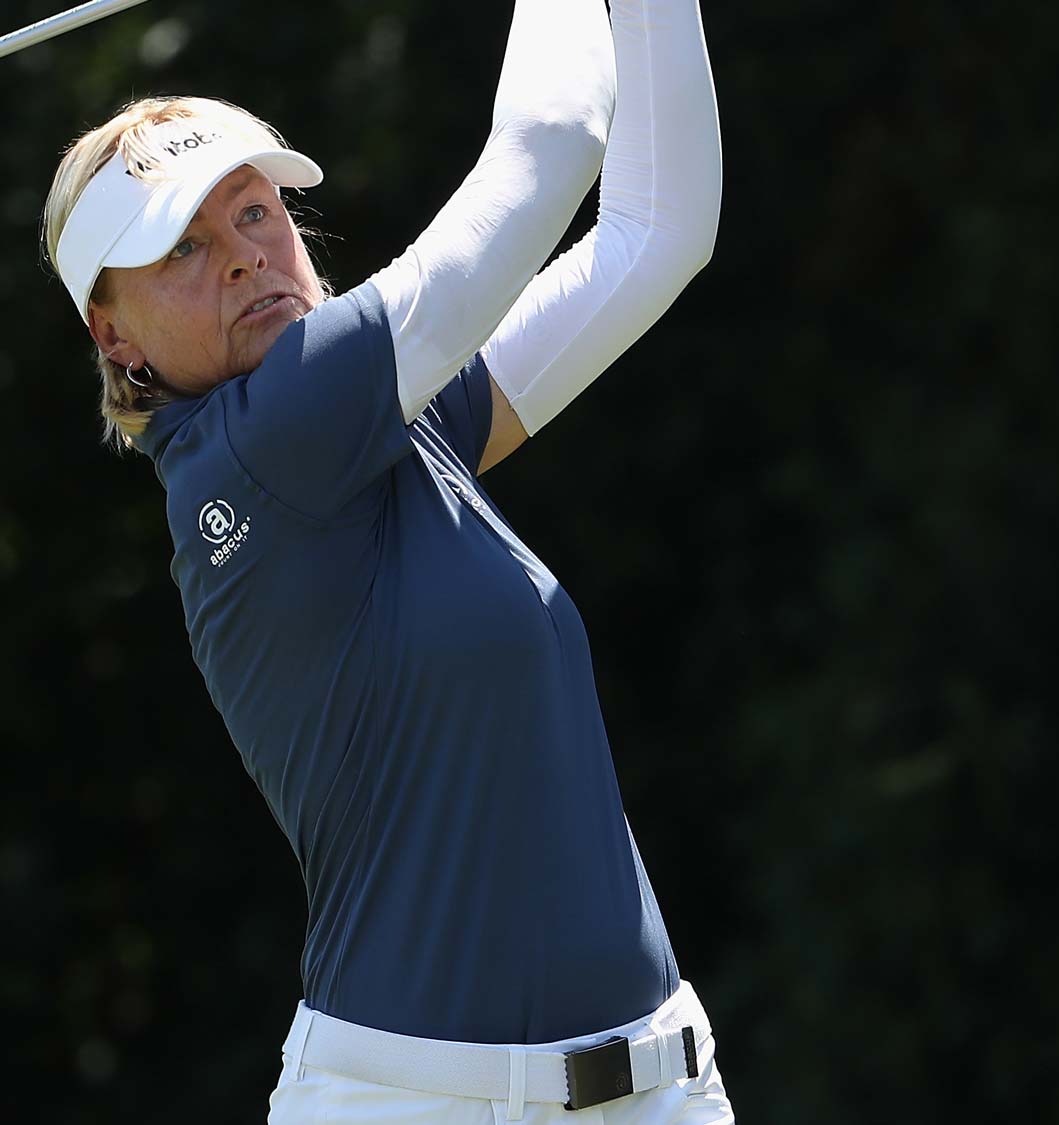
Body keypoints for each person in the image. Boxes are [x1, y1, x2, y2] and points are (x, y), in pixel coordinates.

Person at [39, 0, 727, 1120]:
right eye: (182, 248)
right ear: (113, 336)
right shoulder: (256, 442)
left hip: (655, 1084)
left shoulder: (391, 425)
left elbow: (657, 233)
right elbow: (551, 146)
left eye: (255, 213)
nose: (243, 258)